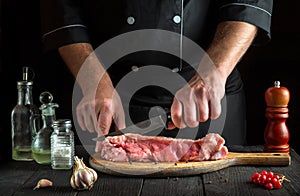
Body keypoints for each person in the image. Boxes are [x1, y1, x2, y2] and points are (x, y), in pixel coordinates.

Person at [40, 0, 273, 149]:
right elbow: (62, 7)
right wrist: (93, 80)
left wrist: (213, 71)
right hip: (109, 99)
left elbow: (247, 2)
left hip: (207, 101)